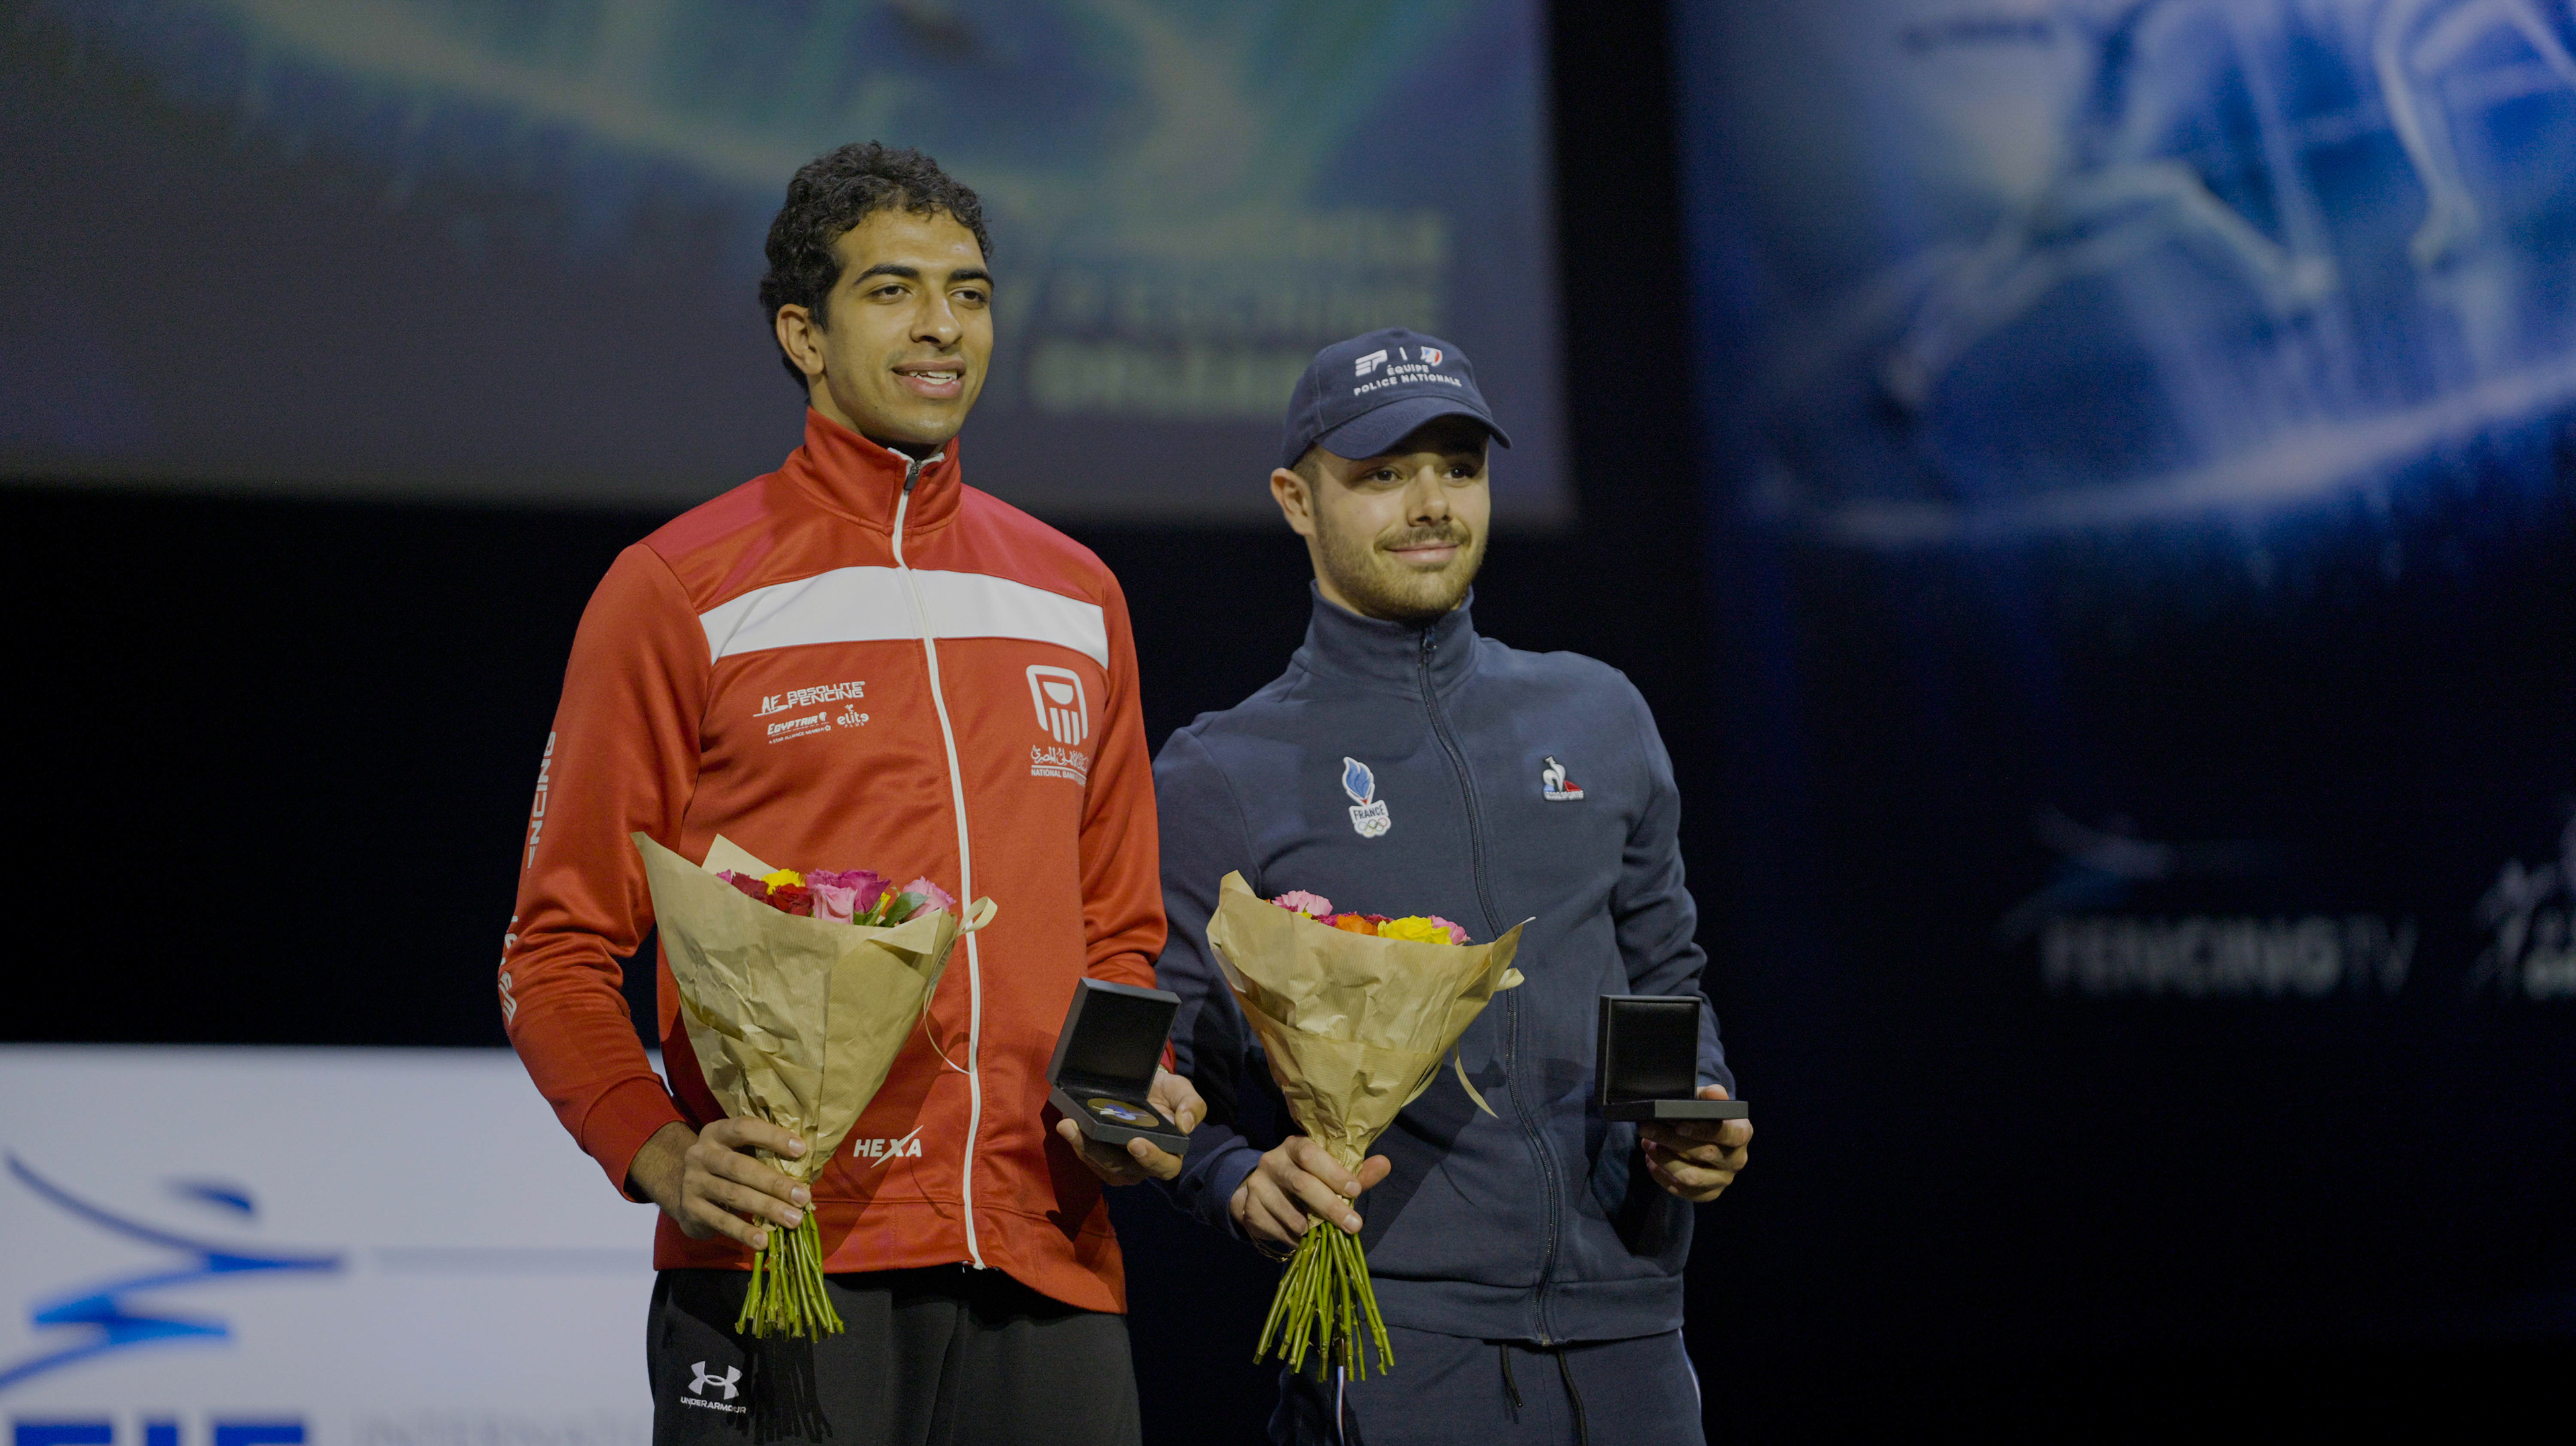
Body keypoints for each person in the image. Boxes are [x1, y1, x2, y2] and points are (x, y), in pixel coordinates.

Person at [499, 141, 1200, 1444]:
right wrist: (655, 1149)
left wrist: (1129, 1093)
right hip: (789, 1257)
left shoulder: (1075, 596)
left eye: (970, 292)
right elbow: (554, 951)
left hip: (1046, 1264)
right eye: (893, 290)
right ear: (803, 335)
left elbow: (1119, 938)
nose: (943, 325)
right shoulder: (678, 590)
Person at [1152, 329, 1752, 1444]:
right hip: (1396, 1340)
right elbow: (1164, 1069)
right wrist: (1233, 1178)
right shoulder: (1221, 772)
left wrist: (1694, 1110)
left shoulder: (1600, 713)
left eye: (1459, 469)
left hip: (1632, 1332)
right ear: (1296, 500)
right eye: (1384, 473)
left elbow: (1665, 977)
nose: (1431, 504)